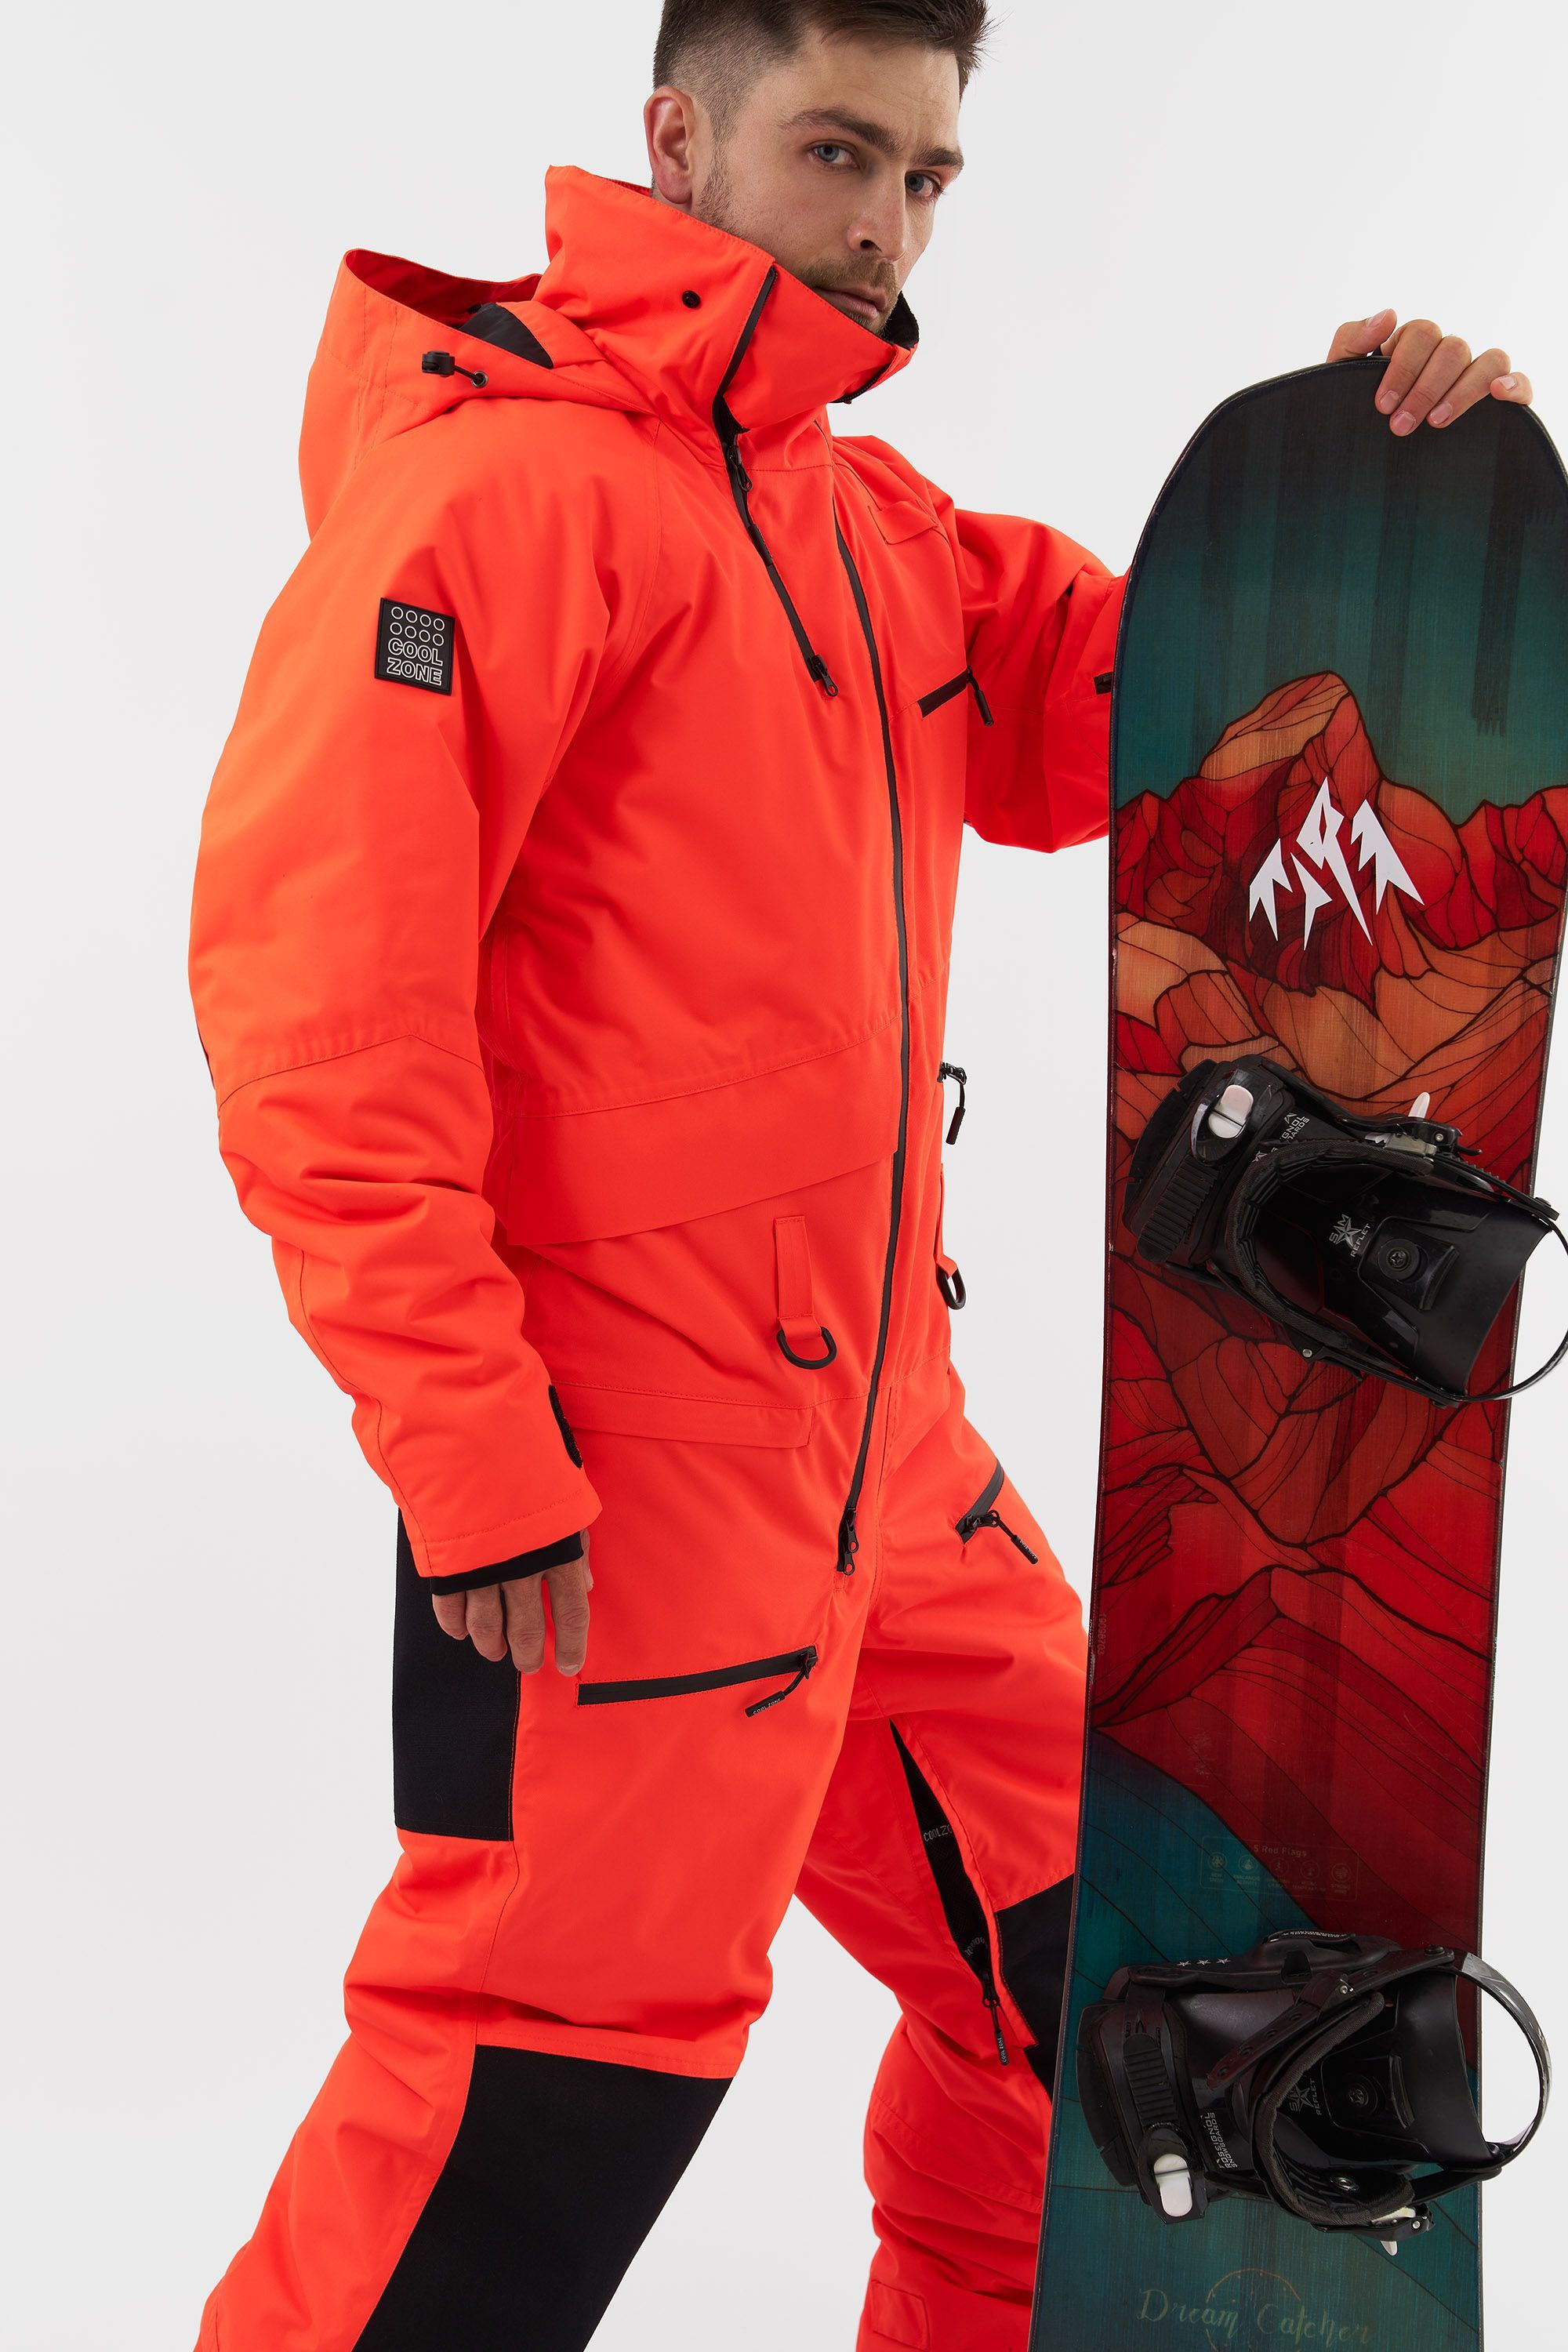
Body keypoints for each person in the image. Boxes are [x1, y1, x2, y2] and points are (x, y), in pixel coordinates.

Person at [185, 3, 1533, 2345]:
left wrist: (1373, 500)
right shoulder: (493, 507)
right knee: (531, 2116)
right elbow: (323, 1024)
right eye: (836, 152)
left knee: (1126, 2010)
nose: (888, 225)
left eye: (926, 176)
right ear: (675, 135)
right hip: (614, 1510)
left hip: (889, 1477)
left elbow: (1167, 715)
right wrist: (469, 1456)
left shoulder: (867, 530)